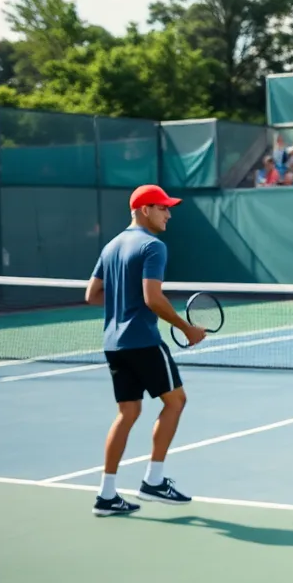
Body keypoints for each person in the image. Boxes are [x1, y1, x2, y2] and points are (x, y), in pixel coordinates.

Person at [84, 184, 205, 517]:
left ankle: (106, 495)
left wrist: (124, 299)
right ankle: (153, 479)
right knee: (176, 401)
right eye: (163, 208)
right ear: (143, 210)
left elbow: (92, 295)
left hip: (113, 344)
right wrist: (186, 328)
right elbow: (152, 298)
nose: (168, 214)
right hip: (143, 342)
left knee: (128, 413)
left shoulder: (111, 247)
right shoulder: (153, 246)